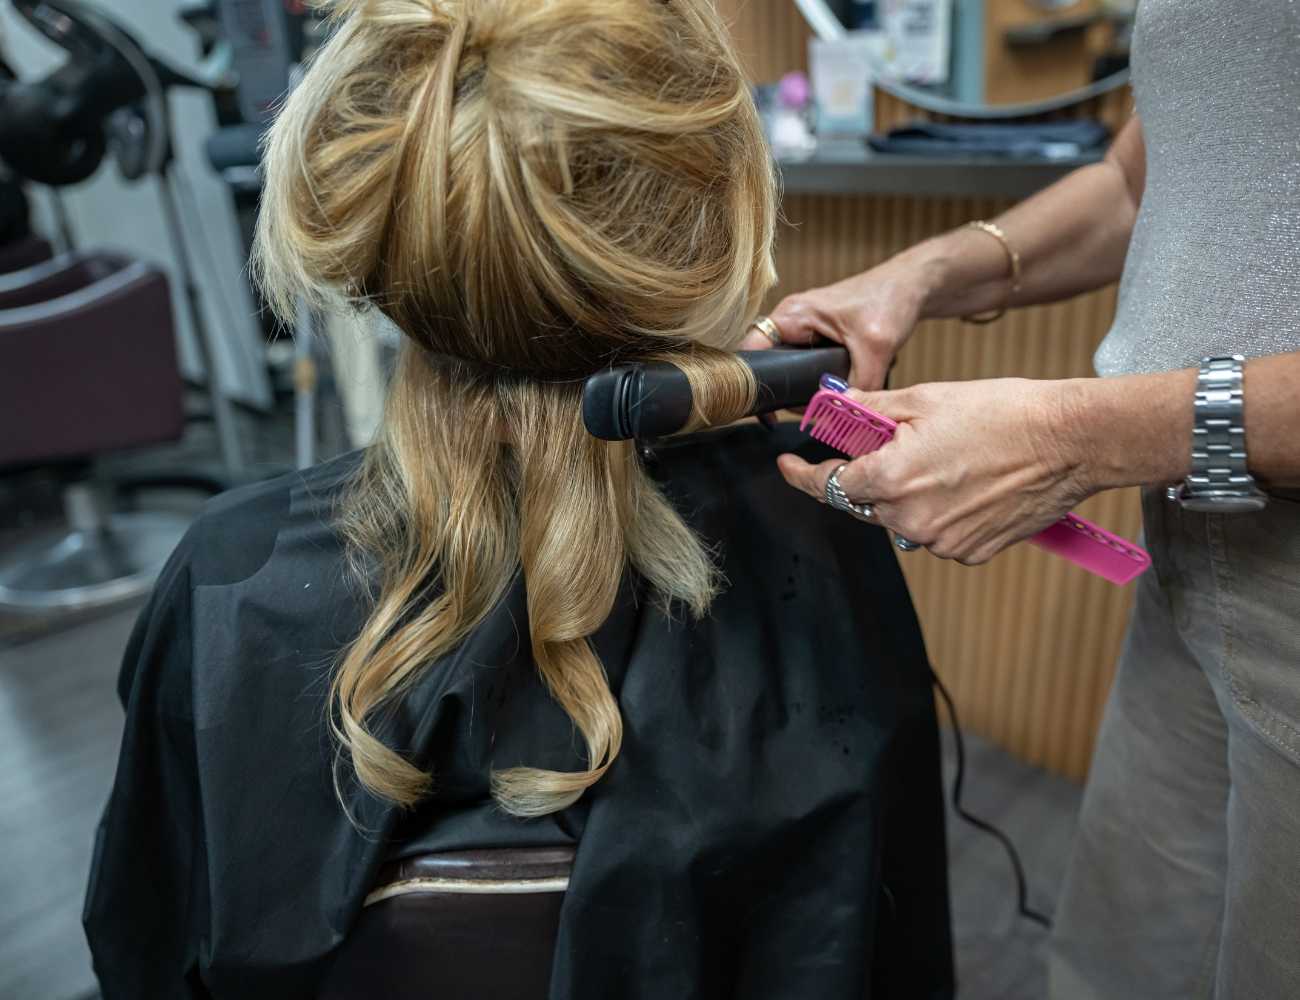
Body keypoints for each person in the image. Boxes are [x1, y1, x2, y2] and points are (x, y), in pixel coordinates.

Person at [83, 1, 953, 997]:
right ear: (711, 232)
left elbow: (147, 939)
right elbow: (874, 949)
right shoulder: (813, 524)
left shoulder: (226, 574)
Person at [746, 1, 1300, 997]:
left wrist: (1064, 439)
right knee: (1115, 965)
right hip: (1192, 541)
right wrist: (920, 274)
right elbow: (1145, 179)